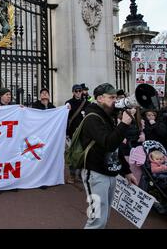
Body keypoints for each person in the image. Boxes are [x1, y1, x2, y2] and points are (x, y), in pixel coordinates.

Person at [80, 83, 138, 229]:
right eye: (111, 97)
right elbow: (109, 143)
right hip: (95, 174)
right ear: (100, 98)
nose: (115, 100)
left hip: (110, 173)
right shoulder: (92, 118)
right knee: (97, 220)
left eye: (115, 97)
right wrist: (123, 123)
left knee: (104, 218)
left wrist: (127, 171)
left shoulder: (107, 116)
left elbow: (115, 149)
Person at [65, 84, 89, 183]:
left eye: (80, 91)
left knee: (83, 154)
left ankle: (79, 175)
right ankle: (72, 175)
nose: (78, 92)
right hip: (72, 133)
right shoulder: (68, 103)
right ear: (73, 92)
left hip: (84, 133)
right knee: (72, 154)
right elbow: (65, 117)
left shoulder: (87, 103)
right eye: (76, 91)